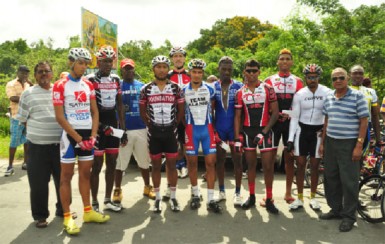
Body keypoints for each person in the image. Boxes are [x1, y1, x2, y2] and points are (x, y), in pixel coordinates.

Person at [53, 48, 109, 235]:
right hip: (70, 136)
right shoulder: (60, 85)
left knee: (86, 174)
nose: (84, 67)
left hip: (87, 136)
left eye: (86, 63)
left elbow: (95, 111)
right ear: (71, 63)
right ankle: (68, 216)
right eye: (80, 63)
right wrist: (78, 138)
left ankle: (87, 212)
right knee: (66, 177)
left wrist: (92, 136)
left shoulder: (88, 85)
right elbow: (60, 117)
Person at [319, 67, 369, 232]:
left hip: (349, 144)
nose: (338, 81)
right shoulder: (329, 97)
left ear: (347, 78)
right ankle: (336, 209)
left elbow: (363, 121)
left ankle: (349, 216)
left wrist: (359, 145)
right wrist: (323, 143)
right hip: (331, 142)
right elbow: (326, 120)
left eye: (341, 78)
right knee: (331, 177)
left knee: (349, 181)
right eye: (334, 79)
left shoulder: (357, 97)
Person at [16, 61, 63, 228]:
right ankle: (41, 216)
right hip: (37, 147)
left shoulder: (59, 91)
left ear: (52, 73)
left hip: (59, 146)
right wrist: (36, 132)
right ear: (35, 75)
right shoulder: (27, 94)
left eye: (47, 71)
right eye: (40, 72)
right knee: (38, 183)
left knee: (63, 180)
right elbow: (22, 119)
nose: (44, 74)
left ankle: (63, 209)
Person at [139, 55, 184, 213]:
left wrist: (174, 125)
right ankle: (157, 198)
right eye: (158, 66)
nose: (162, 69)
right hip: (154, 132)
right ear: (154, 69)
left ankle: (172, 197)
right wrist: (151, 126)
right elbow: (142, 112)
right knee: (156, 166)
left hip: (171, 131)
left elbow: (181, 111)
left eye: (164, 66)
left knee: (172, 166)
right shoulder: (146, 89)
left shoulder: (176, 89)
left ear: (168, 69)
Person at [234, 59, 279, 214]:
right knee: (250, 166)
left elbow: (275, 113)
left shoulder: (268, 89)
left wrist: (264, 132)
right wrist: (237, 136)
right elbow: (237, 117)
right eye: (248, 71)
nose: (251, 73)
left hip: (265, 131)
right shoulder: (240, 92)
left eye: (254, 70)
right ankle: (252, 196)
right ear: (244, 73)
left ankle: (269, 199)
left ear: (259, 72)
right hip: (247, 132)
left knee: (267, 167)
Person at [87, 45, 126, 212]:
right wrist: (101, 126)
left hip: (113, 125)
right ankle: (94, 202)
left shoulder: (116, 79)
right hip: (96, 125)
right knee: (96, 165)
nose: (107, 64)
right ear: (98, 61)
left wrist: (122, 130)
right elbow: (87, 107)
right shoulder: (90, 80)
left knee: (112, 163)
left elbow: (119, 105)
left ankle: (108, 200)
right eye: (104, 61)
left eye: (110, 61)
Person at [287, 64, 331, 210]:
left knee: (315, 166)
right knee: (300, 165)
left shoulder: (327, 92)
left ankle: (313, 197)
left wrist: (325, 134)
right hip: (302, 131)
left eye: (315, 77)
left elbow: (329, 116)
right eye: (309, 77)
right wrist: (290, 139)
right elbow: (294, 117)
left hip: (318, 132)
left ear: (319, 77)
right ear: (305, 78)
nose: (312, 80)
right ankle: (299, 198)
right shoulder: (299, 94)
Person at [112, 58, 155, 206]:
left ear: (134, 70)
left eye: (130, 68)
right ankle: (117, 189)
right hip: (124, 131)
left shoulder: (142, 86)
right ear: (121, 70)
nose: (128, 71)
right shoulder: (117, 87)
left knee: (144, 161)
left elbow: (148, 105)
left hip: (142, 128)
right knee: (120, 162)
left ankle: (147, 187)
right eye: (125, 68)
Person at [264, 48, 303, 205]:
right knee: (270, 159)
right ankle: (269, 194)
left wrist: (292, 115)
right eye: (282, 59)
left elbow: (300, 102)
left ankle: (288, 193)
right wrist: (272, 115)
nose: (285, 61)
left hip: (290, 123)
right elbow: (264, 102)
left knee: (289, 159)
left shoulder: (298, 81)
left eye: (288, 58)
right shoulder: (269, 80)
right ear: (277, 62)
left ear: (292, 62)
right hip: (274, 123)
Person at [183, 58, 222, 213]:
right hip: (191, 129)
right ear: (190, 73)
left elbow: (216, 107)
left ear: (203, 73)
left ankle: (211, 198)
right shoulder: (183, 89)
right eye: (194, 72)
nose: (197, 75)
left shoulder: (210, 89)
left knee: (211, 163)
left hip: (207, 129)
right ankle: (195, 194)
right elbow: (180, 111)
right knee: (192, 163)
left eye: (200, 72)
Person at [212, 56, 243, 206]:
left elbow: (243, 111)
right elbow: (209, 111)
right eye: (223, 69)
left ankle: (237, 193)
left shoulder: (239, 86)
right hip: (220, 130)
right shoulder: (212, 87)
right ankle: (222, 191)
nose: (226, 72)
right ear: (218, 69)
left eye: (229, 70)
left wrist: (240, 132)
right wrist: (213, 131)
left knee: (238, 161)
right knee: (220, 161)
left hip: (234, 131)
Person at [167, 46, 190, 180]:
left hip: (187, 113)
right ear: (172, 59)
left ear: (184, 58)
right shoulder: (168, 75)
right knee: (175, 142)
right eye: (175, 56)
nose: (178, 58)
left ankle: (186, 165)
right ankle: (179, 165)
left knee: (186, 142)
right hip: (172, 113)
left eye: (180, 56)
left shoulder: (190, 73)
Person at [5, 65, 31, 176]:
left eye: (26, 73)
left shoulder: (27, 84)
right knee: (14, 141)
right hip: (16, 117)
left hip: (28, 117)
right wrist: (29, 98)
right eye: (23, 73)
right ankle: (10, 165)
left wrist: (31, 83)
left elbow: (35, 91)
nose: (24, 75)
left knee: (27, 141)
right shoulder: (11, 84)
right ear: (18, 72)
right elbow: (13, 98)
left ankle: (25, 162)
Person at [349, 65, 382, 152]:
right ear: (350, 75)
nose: (358, 75)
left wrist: (378, 139)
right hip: (348, 128)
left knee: (361, 158)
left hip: (366, 128)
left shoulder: (370, 92)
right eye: (355, 73)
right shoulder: (344, 90)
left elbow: (375, 116)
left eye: (361, 73)